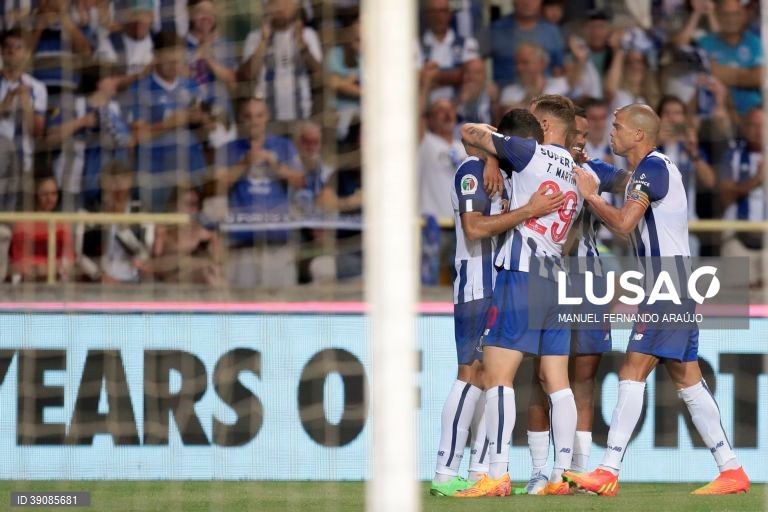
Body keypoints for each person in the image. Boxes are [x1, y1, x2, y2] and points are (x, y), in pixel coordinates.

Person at [564, 104, 750, 496]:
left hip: (667, 283)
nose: (611, 131)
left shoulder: (653, 167)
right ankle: (731, 469)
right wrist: (583, 165)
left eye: (617, 126)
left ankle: (608, 469)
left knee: (632, 369)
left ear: (638, 135)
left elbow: (624, 223)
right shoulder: (650, 170)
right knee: (688, 378)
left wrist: (591, 197)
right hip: (673, 283)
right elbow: (624, 188)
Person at [431, 108, 565, 497]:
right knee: (471, 372)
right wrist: (528, 210)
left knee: (494, 379)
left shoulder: (507, 174)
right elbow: (474, 229)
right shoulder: (473, 171)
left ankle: (479, 472)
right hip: (477, 284)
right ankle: (444, 471)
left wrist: (495, 157)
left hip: (505, 284)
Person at [523, 105, 628, 495]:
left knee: (584, 379)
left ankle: (576, 473)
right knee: (541, 378)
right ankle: (540, 471)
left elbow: (629, 179)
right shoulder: (533, 164)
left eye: (585, 134)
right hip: (545, 276)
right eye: (577, 133)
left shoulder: (590, 170)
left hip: (588, 282)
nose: (582, 140)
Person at [215, 97, 305, 288]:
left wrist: (275, 164)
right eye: (248, 116)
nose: (254, 121)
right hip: (241, 244)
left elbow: (301, 181)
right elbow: (216, 186)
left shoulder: (284, 146)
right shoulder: (228, 149)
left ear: (267, 117)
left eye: (259, 115)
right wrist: (244, 163)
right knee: (242, 303)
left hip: (277, 243)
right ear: (240, 119)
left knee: (281, 301)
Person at [126, 29, 212, 212]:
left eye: (178, 61)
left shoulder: (191, 86)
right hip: (156, 172)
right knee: (160, 222)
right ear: (155, 56)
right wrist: (170, 123)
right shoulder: (140, 89)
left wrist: (203, 121)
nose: (175, 66)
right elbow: (135, 137)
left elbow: (208, 133)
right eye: (169, 61)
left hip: (191, 168)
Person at [238, 0, 323, 126]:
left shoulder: (308, 35)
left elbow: (318, 71)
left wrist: (302, 45)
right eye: (277, 2)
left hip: (301, 116)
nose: (283, 8)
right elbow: (248, 75)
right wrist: (263, 41)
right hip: (265, 120)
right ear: (266, 7)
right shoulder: (254, 37)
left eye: (287, 2)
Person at [719, 107, 764, 289]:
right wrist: (756, 179)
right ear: (745, 128)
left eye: (763, 126)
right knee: (739, 297)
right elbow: (725, 196)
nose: (758, 131)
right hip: (737, 235)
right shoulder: (733, 155)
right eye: (753, 125)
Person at [0, 28, 48, 174]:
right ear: (1, 52)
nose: (12, 51)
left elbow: (37, 132)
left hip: (22, 162)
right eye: (8, 47)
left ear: (27, 53)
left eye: (18, 47)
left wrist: (26, 102)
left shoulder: (38, 87)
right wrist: (7, 101)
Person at [10, 175, 74, 282]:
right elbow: (17, 258)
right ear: (36, 195)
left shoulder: (63, 223)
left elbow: (69, 259)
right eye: (45, 194)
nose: (50, 199)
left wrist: (50, 269)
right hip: (27, 279)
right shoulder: (22, 222)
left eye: (54, 194)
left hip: (56, 278)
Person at [418, 0, 479, 103]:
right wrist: (456, 76)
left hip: (458, 109)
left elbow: (473, 76)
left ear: (450, 13)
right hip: (427, 110)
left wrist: (433, 77)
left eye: (442, 11)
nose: (438, 16)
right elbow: (414, 80)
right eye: (433, 11)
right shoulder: (415, 46)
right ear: (426, 14)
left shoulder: (468, 43)